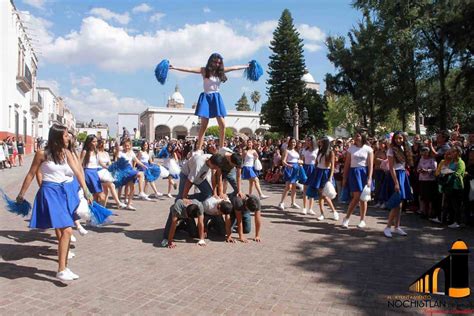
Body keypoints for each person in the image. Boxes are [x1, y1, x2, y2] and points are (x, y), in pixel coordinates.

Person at [16, 124, 93, 281]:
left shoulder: (66, 153)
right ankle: (61, 269)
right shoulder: (42, 154)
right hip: (49, 192)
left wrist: (86, 190)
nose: (68, 137)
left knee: (66, 230)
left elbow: (78, 171)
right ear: (57, 137)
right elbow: (31, 174)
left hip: (63, 192)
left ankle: (63, 268)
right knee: (67, 230)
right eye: (65, 135)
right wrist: (21, 194)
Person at [169, 53, 249, 150]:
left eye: (219, 63)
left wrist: (246, 66)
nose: (217, 64)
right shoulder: (204, 70)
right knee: (204, 125)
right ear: (211, 61)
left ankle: (221, 147)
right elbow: (189, 69)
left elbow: (234, 67)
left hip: (216, 97)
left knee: (223, 125)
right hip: (206, 97)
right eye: (215, 62)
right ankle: (198, 149)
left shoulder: (221, 71)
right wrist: (174, 67)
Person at [341, 130, 374, 229]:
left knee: (364, 198)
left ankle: (362, 220)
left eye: (358, 136)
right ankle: (346, 218)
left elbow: (371, 165)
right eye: (355, 136)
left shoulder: (368, 149)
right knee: (356, 197)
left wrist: (369, 178)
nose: (356, 137)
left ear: (362, 137)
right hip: (354, 173)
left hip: (364, 173)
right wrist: (344, 177)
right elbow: (347, 164)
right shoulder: (351, 149)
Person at [383, 131, 413, 238]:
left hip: (403, 175)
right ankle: (387, 227)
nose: (398, 140)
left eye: (400, 138)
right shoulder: (392, 150)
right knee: (396, 202)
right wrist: (396, 182)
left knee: (400, 204)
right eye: (396, 138)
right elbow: (391, 167)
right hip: (395, 176)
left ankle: (397, 226)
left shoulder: (405, 149)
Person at [312, 137, 339, 221]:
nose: (320, 143)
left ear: (325, 143)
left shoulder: (331, 152)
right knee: (321, 195)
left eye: (322, 142)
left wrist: (330, 177)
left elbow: (332, 166)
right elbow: (316, 163)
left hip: (326, 173)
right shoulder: (319, 151)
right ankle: (322, 214)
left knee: (325, 195)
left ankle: (334, 211)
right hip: (319, 172)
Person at [119, 139, 150, 210]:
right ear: (123, 146)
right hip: (123, 170)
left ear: (130, 146)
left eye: (128, 146)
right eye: (125, 146)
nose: (127, 147)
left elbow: (136, 160)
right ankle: (120, 200)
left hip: (130, 170)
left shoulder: (131, 152)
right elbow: (117, 161)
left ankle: (130, 202)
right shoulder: (121, 153)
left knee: (132, 186)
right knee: (122, 187)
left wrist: (143, 165)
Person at [96, 139, 126, 208]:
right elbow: (100, 162)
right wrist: (107, 167)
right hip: (99, 170)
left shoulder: (106, 153)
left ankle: (103, 207)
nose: (104, 145)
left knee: (106, 190)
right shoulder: (96, 153)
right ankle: (118, 202)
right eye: (103, 143)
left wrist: (113, 167)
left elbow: (109, 162)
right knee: (111, 185)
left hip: (106, 171)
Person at [278, 138, 304, 210]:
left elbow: (297, 160)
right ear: (289, 143)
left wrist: (300, 162)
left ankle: (293, 202)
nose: (293, 143)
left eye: (294, 142)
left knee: (294, 187)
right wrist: (288, 165)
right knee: (288, 186)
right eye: (292, 142)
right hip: (289, 168)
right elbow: (283, 161)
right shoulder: (287, 151)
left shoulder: (296, 151)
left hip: (296, 168)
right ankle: (281, 202)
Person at [80, 135, 105, 204]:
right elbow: (80, 164)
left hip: (95, 172)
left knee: (98, 194)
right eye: (94, 141)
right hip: (88, 173)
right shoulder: (85, 152)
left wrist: (107, 167)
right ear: (89, 142)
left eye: (96, 141)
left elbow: (99, 162)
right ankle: (91, 209)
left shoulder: (96, 151)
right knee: (93, 194)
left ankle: (96, 209)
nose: (96, 143)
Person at [417, 147, 437, 218]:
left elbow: (435, 169)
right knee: (423, 197)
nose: (424, 154)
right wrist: (420, 170)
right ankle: (423, 211)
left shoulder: (432, 160)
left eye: (426, 152)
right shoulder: (421, 159)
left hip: (430, 180)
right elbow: (418, 167)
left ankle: (430, 212)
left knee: (430, 197)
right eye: (423, 152)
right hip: (422, 180)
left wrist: (427, 170)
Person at [301, 136, 318, 215]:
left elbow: (318, 161)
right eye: (307, 140)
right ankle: (304, 207)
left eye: (309, 141)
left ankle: (310, 208)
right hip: (306, 168)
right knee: (305, 188)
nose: (307, 142)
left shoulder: (316, 150)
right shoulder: (305, 150)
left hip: (313, 168)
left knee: (312, 188)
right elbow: (302, 160)